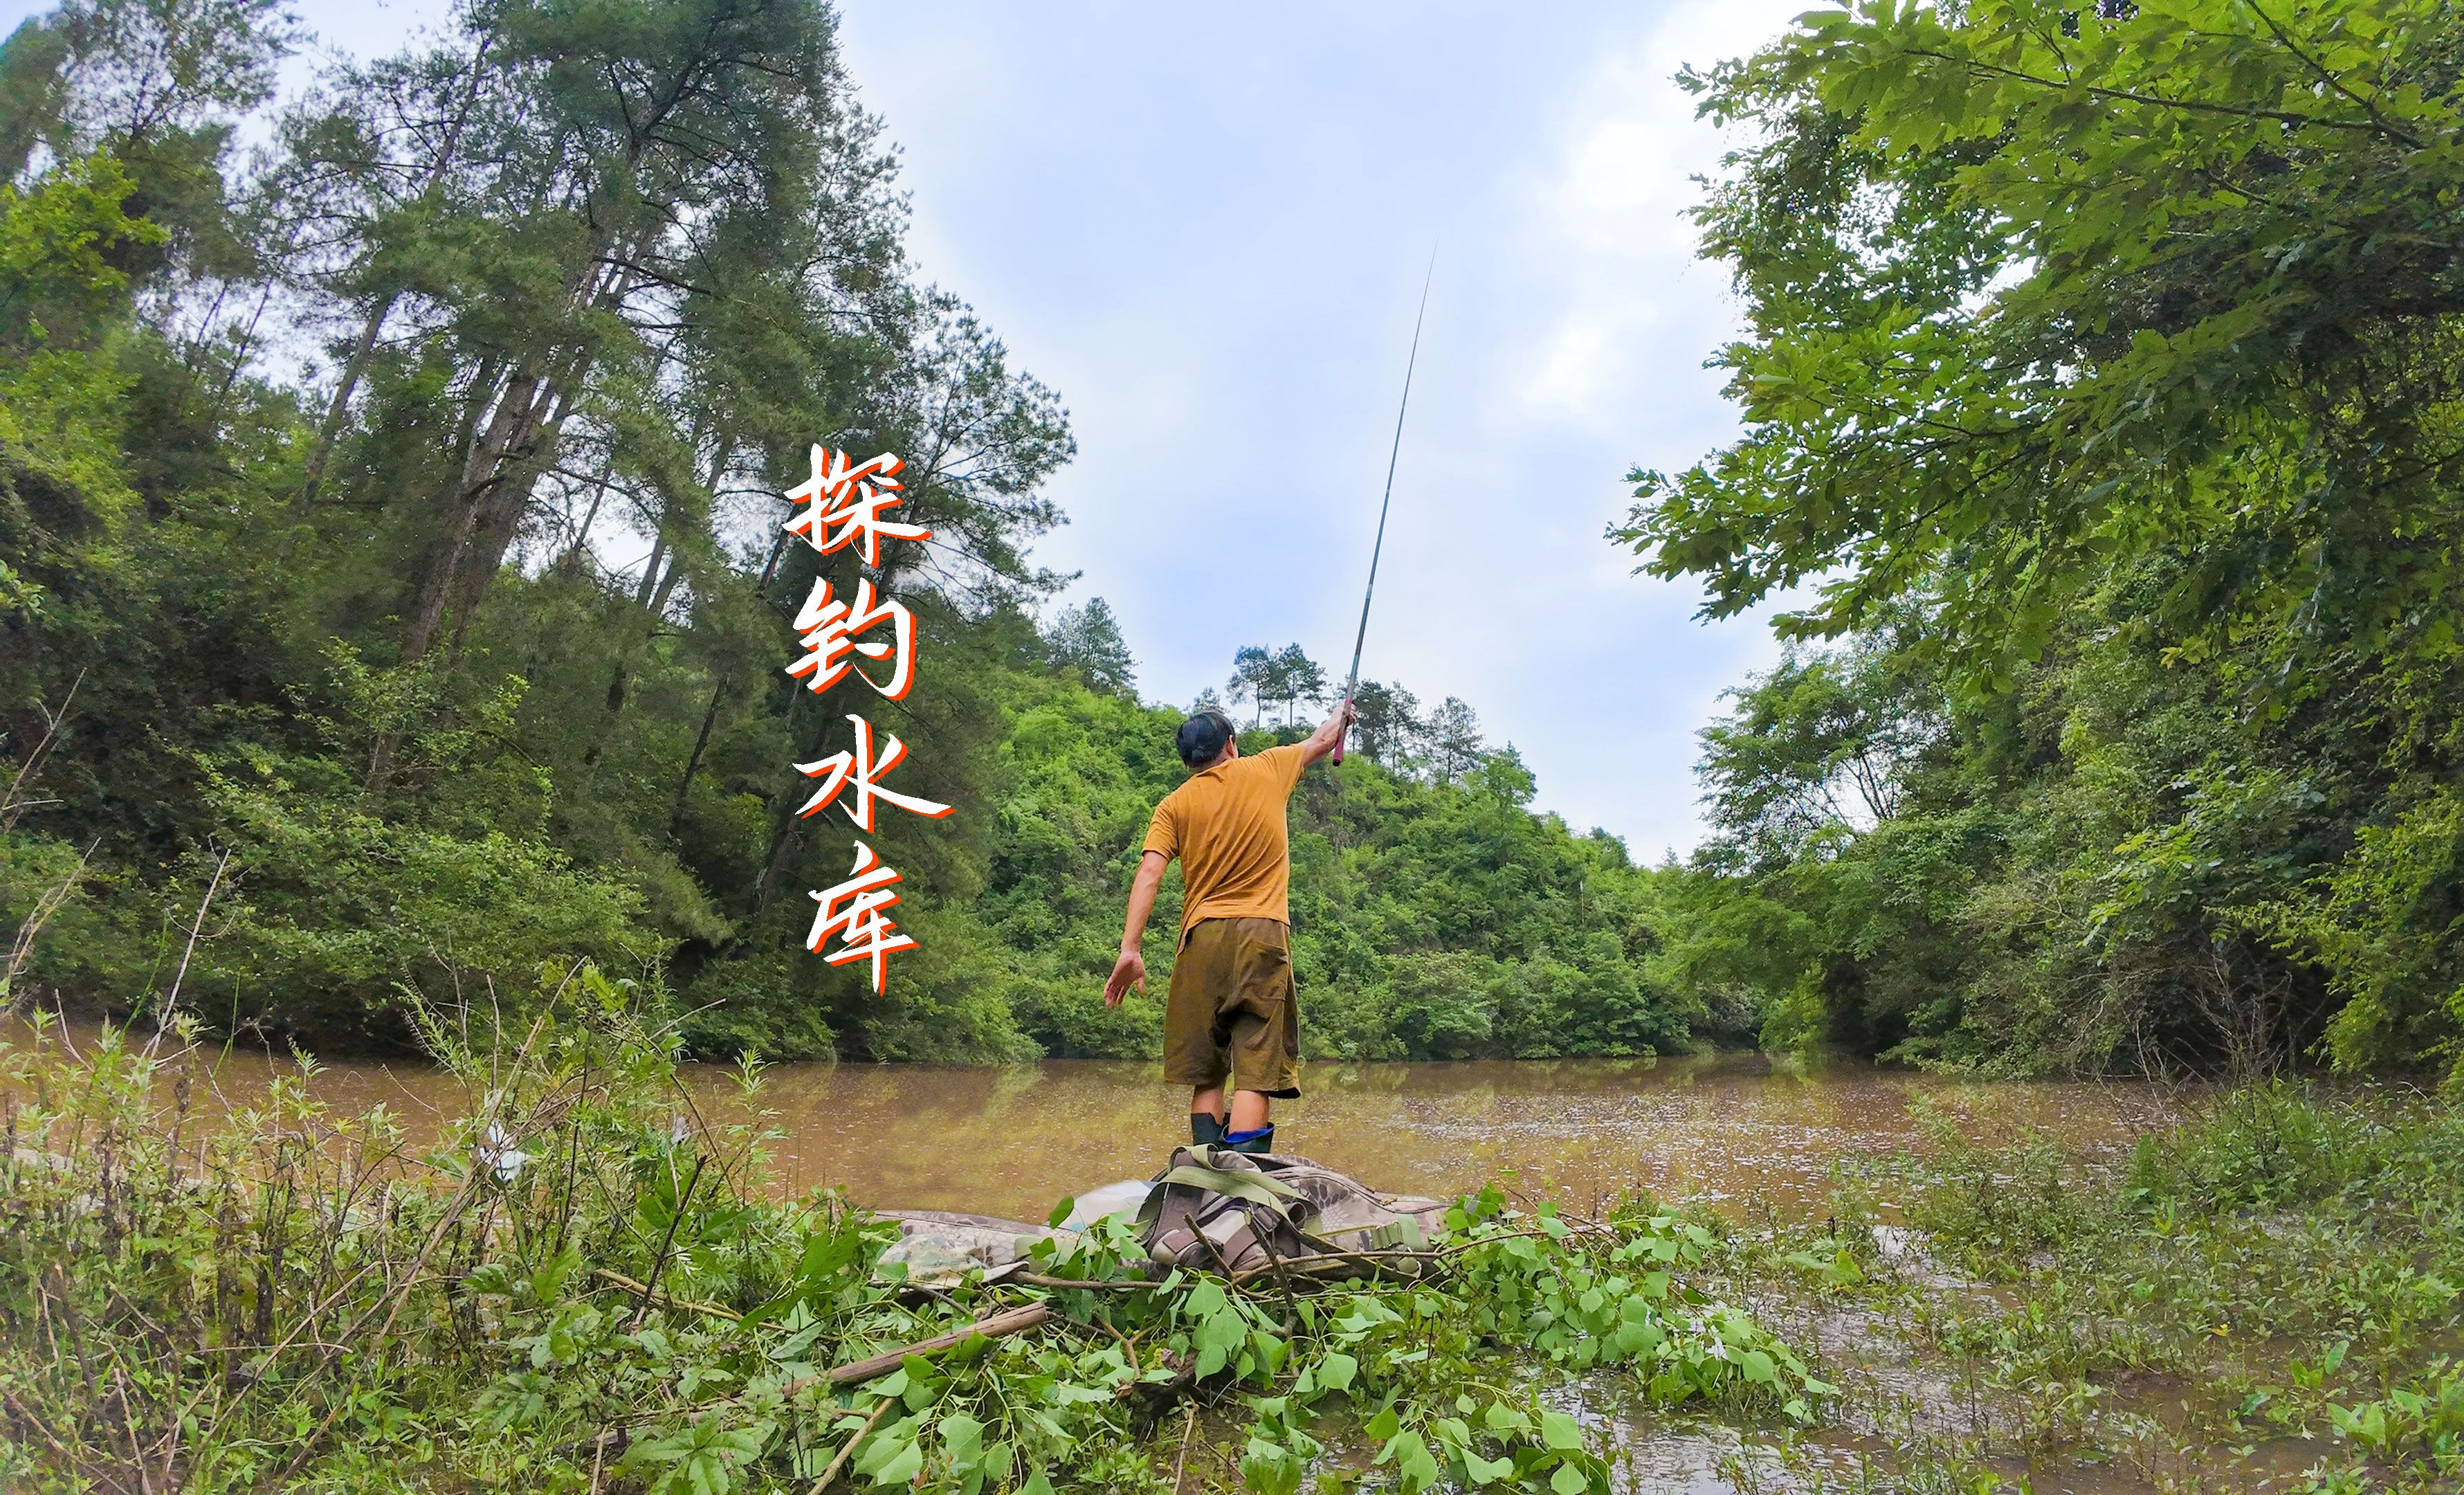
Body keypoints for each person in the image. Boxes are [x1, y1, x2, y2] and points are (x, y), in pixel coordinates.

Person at [1104, 697, 1356, 1154]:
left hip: (1200, 939)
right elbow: (1323, 738)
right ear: (1232, 745)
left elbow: (1149, 874)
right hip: (1261, 934)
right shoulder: (1268, 767)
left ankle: (1202, 1176)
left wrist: (1130, 949)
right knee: (1255, 1065)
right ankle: (1243, 1188)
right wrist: (1341, 716)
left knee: (1206, 1071)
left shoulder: (1172, 806)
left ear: (1187, 762)